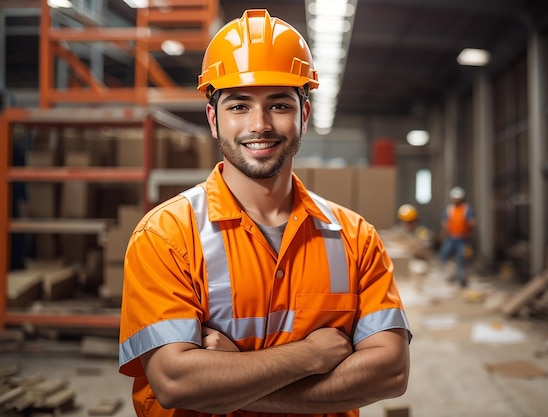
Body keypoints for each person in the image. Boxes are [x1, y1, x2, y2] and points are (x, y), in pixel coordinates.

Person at [118, 9, 411, 417]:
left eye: (278, 105)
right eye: (239, 106)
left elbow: (391, 372)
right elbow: (175, 382)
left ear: (304, 115)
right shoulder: (166, 235)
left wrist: (228, 378)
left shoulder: (355, 237)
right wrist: (310, 355)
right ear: (213, 119)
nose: (260, 124)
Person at [438, 186, 476, 287]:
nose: (456, 200)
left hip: (462, 239)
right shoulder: (449, 209)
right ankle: (447, 275)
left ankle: (461, 278)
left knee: (461, 259)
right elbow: (444, 223)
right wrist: (442, 235)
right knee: (443, 255)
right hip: (451, 238)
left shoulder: (466, 209)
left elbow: (471, 222)